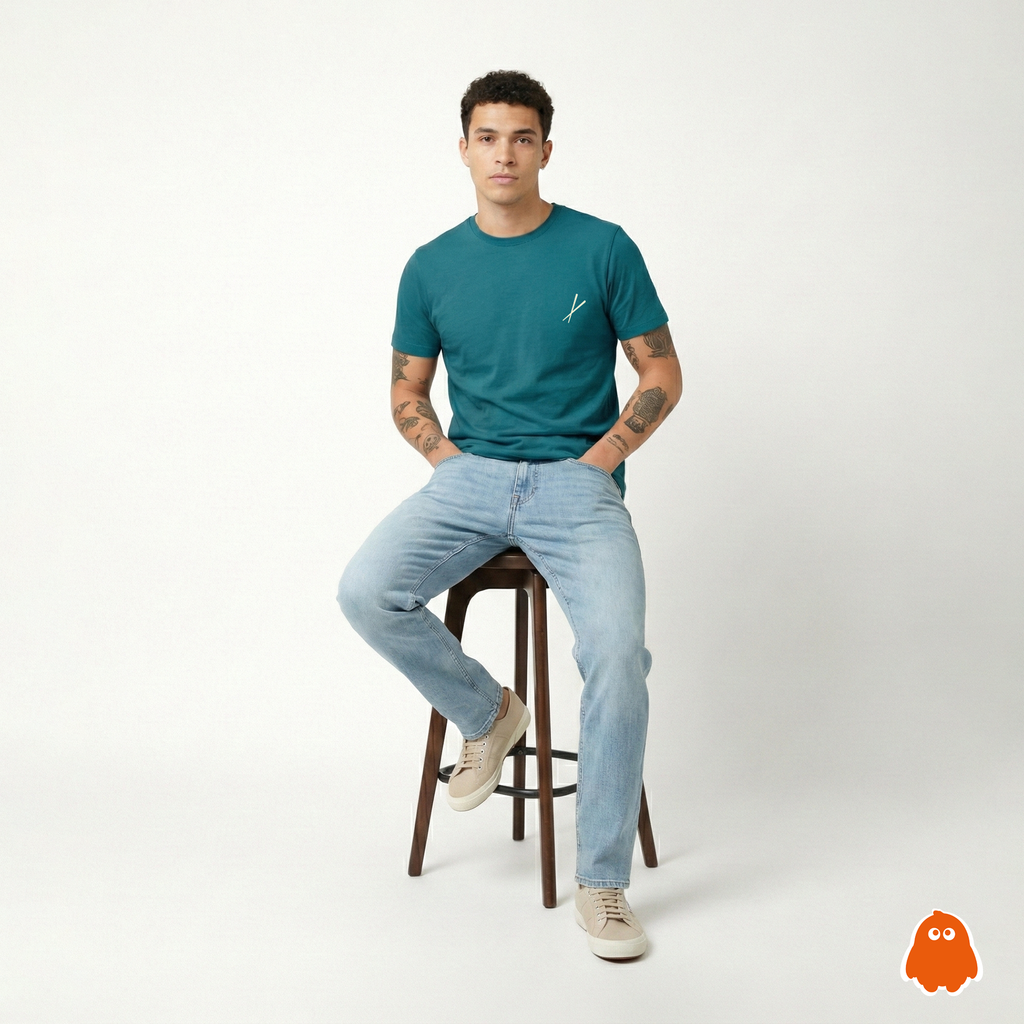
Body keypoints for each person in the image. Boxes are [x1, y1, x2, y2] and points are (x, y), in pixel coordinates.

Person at [338, 70, 681, 960]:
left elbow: (660, 371)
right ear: (464, 149)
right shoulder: (431, 265)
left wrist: (600, 462)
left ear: (545, 151)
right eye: (488, 137)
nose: (504, 154)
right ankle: (489, 714)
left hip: (576, 482)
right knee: (365, 591)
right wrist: (448, 462)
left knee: (617, 653)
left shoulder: (602, 247)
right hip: (471, 476)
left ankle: (601, 884)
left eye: (522, 138)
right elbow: (407, 390)